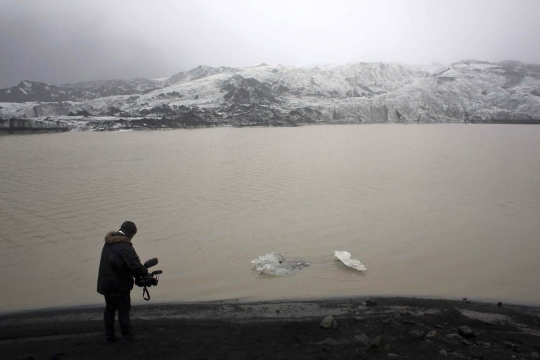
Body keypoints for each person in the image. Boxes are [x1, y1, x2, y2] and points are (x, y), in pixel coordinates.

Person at [97, 221, 148, 343]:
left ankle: (109, 336)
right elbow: (135, 266)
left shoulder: (108, 243)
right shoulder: (125, 246)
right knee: (123, 310)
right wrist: (144, 272)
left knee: (109, 309)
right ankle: (127, 336)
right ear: (131, 233)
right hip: (119, 285)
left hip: (105, 284)